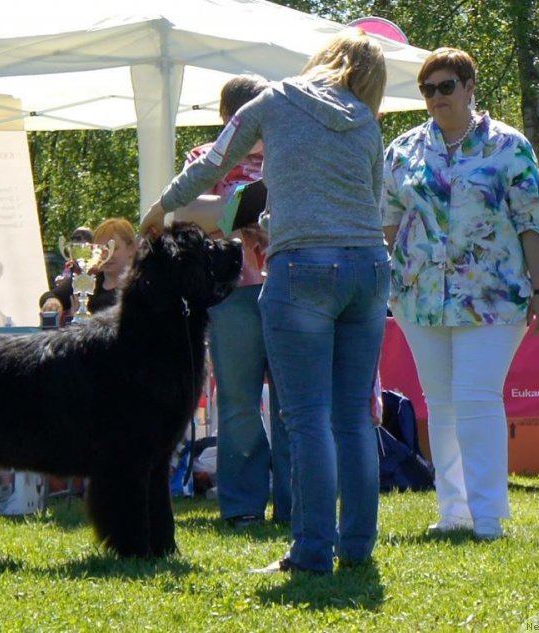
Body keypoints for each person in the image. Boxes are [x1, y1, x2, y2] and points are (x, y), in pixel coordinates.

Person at [142, 28, 390, 574]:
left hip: (303, 269)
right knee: (351, 419)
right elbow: (371, 205)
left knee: (305, 421)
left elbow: (213, 162)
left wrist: (161, 207)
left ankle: (309, 554)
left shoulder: (277, 98)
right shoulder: (365, 121)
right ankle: (356, 548)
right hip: (369, 269)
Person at [381, 47, 539, 541]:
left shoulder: (509, 146)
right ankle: (453, 510)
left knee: (477, 397)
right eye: (427, 89)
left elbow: (531, 222)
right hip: (418, 297)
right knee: (440, 403)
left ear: (469, 86)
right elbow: (389, 223)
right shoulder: (404, 149)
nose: (436, 97)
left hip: (493, 296)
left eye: (446, 86)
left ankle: (489, 517)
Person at [173, 74, 291, 528]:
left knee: (290, 402)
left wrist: (261, 225)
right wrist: (241, 218)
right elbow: (183, 212)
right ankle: (243, 505)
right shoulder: (203, 159)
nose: (252, 130)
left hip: (288, 285)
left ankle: (293, 504)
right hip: (231, 292)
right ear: (225, 119)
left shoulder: (288, 155)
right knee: (239, 402)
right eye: (242, 120)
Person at [39, 225, 93, 320]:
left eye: (80, 238)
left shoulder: (93, 275)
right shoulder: (72, 271)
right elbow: (49, 295)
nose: (76, 242)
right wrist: (52, 301)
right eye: (74, 239)